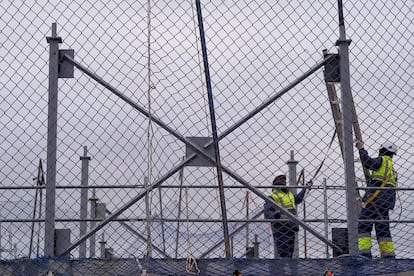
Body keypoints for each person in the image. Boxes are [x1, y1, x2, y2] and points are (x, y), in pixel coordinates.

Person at [355, 140, 398, 258]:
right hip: (385, 203)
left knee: (364, 224)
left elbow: (368, 162)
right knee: (383, 229)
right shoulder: (392, 168)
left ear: (382, 151)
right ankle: (388, 256)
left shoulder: (382, 161)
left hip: (374, 200)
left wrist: (361, 149)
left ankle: (364, 254)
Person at [263, 172, 310, 258]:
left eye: (284, 182)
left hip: (290, 225)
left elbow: (298, 199)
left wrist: (306, 189)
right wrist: (277, 215)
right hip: (280, 226)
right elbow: (267, 211)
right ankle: (283, 269)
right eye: (281, 182)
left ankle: (288, 267)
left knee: (290, 250)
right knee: (284, 250)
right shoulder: (272, 196)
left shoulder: (289, 195)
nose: (284, 184)